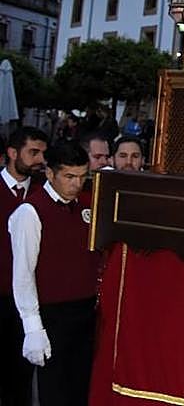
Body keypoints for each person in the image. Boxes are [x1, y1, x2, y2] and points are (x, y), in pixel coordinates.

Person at [9, 141, 100, 406]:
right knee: (55, 392)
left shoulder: (87, 204)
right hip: (53, 314)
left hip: (86, 313)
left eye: (83, 176)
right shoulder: (30, 212)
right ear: (50, 174)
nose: (76, 184)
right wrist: (32, 326)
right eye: (69, 177)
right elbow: (23, 274)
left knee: (81, 390)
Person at [0, 127, 47, 406]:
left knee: (19, 382)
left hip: (26, 305)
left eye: (43, 153)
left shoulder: (42, 194)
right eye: (33, 152)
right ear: (12, 153)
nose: (40, 159)